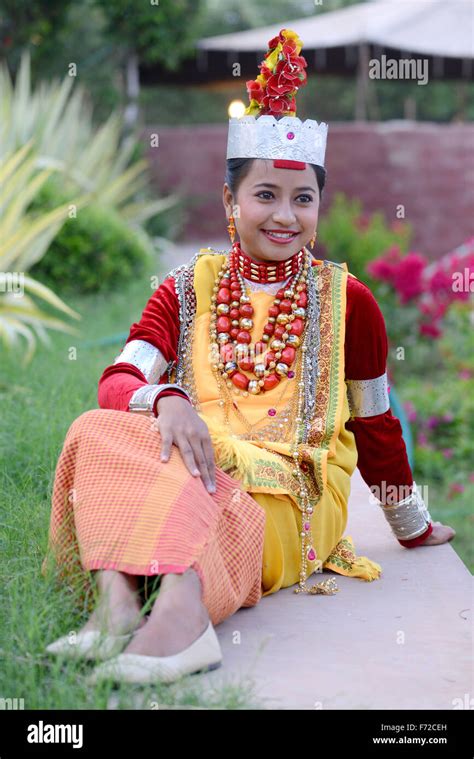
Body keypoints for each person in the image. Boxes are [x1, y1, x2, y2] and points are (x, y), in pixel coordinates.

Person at [42, 28, 455, 685]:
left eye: (303, 198)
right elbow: (119, 380)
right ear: (231, 203)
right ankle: (116, 605)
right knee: (97, 429)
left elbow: (376, 424)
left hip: (295, 488)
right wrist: (168, 397)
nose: (285, 215)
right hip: (199, 457)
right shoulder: (183, 289)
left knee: (204, 479)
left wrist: (411, 522)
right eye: (266, 195)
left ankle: (180, 619)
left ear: (320, 205)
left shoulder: (350, 301)